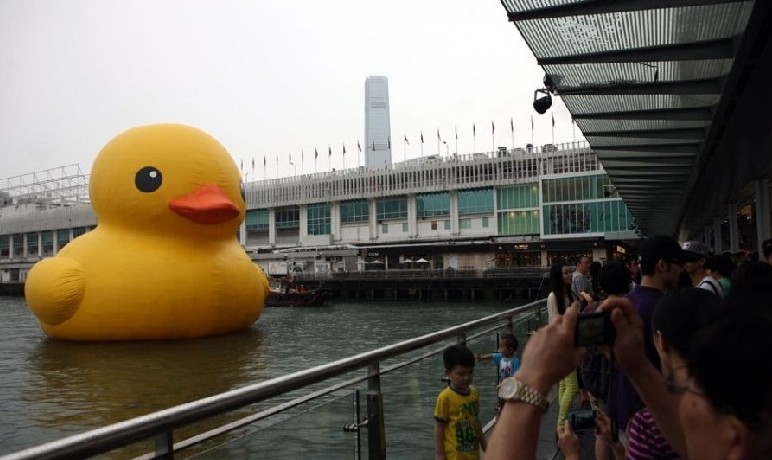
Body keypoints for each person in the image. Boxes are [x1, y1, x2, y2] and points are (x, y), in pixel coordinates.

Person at [606, 235, 684, 442]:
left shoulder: (622, 305)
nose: (682, 269)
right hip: (655, 419)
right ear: (662, 265)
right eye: (679, 263)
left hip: (624, 413)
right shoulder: (667, 309)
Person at [547, 262, 591, 430]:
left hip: (570, 341)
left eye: (569, 272)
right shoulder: (553, 297)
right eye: (565, 273)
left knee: (565, 385)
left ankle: (562, 420)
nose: (569, 275)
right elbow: (555, 322)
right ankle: (561, 424)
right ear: (559, 277)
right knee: (572, 387)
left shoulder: (568, 294)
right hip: (563, 345)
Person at [434, 344, 486, 460]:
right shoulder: (445, 397)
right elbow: (439, 427)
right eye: (461, 374)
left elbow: (476, 421)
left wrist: (483, 442)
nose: (467, 377)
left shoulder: (474, 393)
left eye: (470, 372)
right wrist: (439, 453)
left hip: (473, 453)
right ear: (448, 373)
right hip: (454, 456)